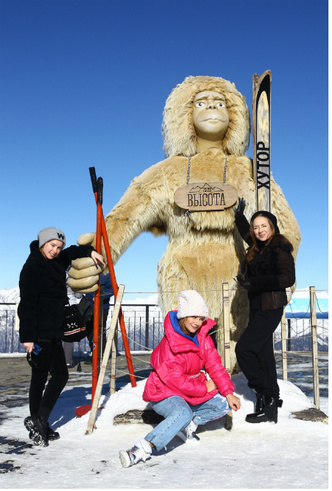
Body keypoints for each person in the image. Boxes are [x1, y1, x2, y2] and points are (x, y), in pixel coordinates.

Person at [119, 290, 241, 468]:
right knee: (182, 412)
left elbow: (214, 365)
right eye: (193, 317)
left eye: (201, 318)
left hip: (189, 390)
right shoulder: (169, 345)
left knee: (223, 403)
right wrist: (204, 388)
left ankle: (187, 426)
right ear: (184, 316)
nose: (198, 323)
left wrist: (229, 393)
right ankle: (142, 449)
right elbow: (178, 382)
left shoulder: (203, 338)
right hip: (164, 393)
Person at [18, 226, 104, 446]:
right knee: (43, 376)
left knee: (57, 375)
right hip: (38, 332)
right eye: (52, 245)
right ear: (42, 244)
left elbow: (73, 251)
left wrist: (90, 252)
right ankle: (41, 422)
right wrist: (28, 338)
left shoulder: (57, 261)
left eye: (58, 247)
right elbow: (26, 305)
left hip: (54, 330)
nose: (55, 250)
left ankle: (39, 421)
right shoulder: (32, 268)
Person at [234, 199, 295, 424]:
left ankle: (264, 393)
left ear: (272, 227)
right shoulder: (260, 246)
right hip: (257, 306)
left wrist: (256, 284)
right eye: (256, 227)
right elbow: (246, 235)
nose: (259, 230)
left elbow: (288, 278)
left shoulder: (279, 248)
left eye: (264, 226)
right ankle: (272, 404)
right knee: (263, 355)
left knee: (244, 350)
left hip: (270, 308)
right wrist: (240, 217)